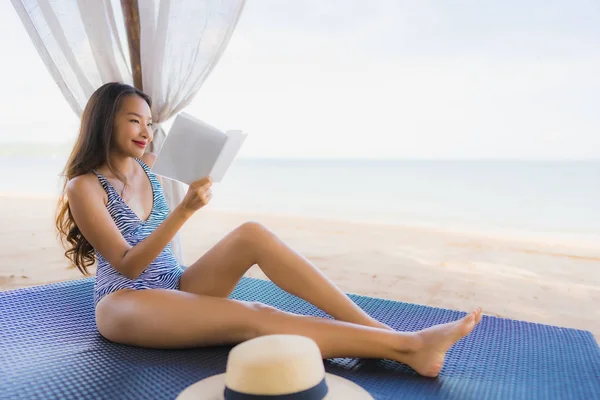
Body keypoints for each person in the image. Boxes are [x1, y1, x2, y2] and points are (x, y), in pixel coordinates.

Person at [56, 82, 482, 378]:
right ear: (104, 121)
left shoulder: (148, 169)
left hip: (176, 285)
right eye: (134, 121)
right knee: (256, 316)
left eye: (149, 123)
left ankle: (381, 332)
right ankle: (409, 348)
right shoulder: (85, 186)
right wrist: (185, 210)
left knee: (252, 233)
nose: (146, 132)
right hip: (127, 303)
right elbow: (129, 266)